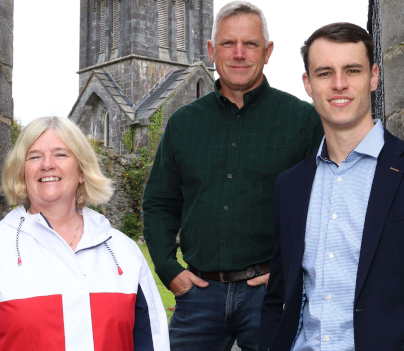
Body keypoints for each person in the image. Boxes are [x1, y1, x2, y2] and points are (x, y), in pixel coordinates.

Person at [260, 23, 404, 351]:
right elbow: (278, 299)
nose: (339, 84)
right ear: (308, 85)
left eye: (352, 70)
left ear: (373, 77)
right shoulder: (290, 187)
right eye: (325, 73)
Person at [142, 1, 323, 350]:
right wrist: (169, 269)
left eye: (250, 44)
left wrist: (289, 274)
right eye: (228, 43)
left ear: (267, 51)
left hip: (270, 295)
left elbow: (323, 206)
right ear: (212, 50)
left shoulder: (302, 120)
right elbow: (159, 202)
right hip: (198, 297)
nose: (239, 53)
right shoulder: (183, 123)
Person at [0, 117, 169, 351]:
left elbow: (152, 341)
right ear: (22, 172)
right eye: (34, 156)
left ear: (82, 170)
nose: (47, 164)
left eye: (61, 154)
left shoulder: (123, 251)